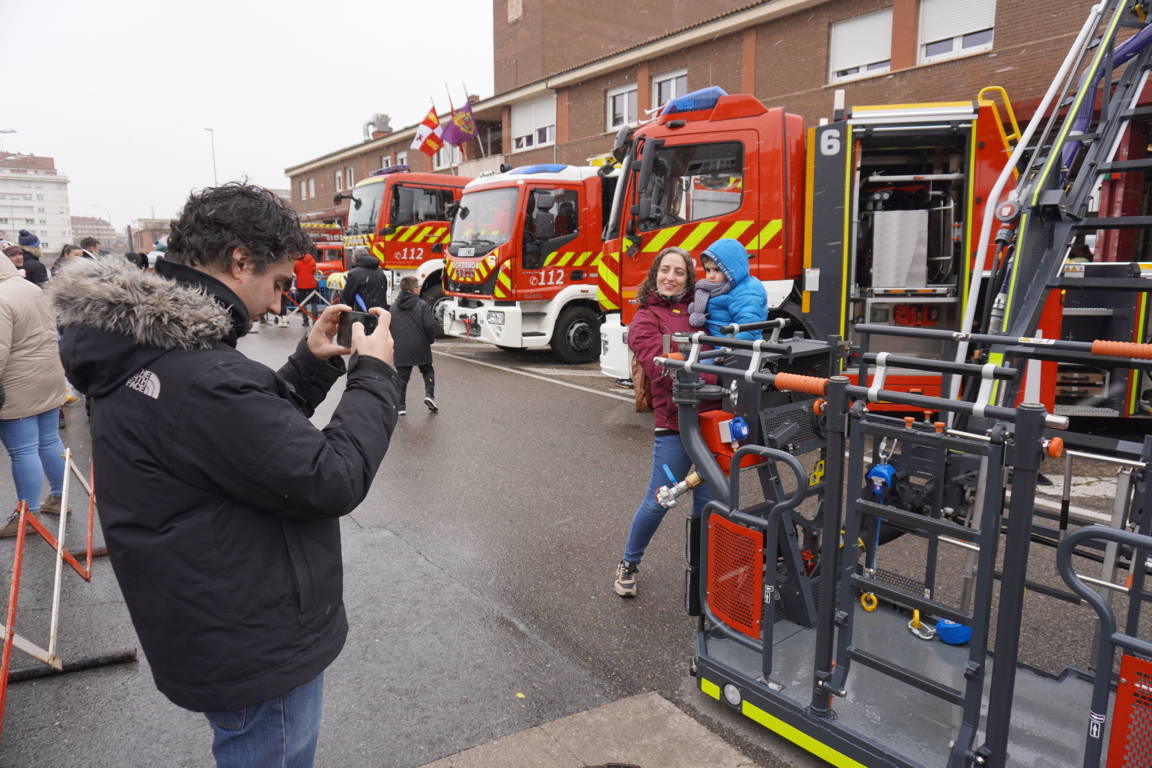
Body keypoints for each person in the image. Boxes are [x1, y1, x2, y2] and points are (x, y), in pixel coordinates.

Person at [49, 183, 400, 768]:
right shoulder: (200, 373)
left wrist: (309, 366)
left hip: (212, 615)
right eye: (279, 283)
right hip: (253, 636)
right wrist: (375, 374)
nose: (280, 305)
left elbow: (240, 443)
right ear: (240, 260)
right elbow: (330, 476)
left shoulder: (145, 347)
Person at [614, 246, 712, 598]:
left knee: (708, 504)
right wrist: (714, 375)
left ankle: (704, 572)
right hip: (675, 425)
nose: (671, 277)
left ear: (688, 279)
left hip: (711, 420)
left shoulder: (702, 312)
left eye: (679, 272)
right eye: (665, 270)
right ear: (655, 273)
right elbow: (660, 370)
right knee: (660, 499)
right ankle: (628, 563)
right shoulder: (645, 319)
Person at [0, 248, 68, 536]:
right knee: (49, 440)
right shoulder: (28, 287)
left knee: (23, 449)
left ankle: (28, 515)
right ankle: (60, 498)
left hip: (17, 382)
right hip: (48, 373)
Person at [687, 238, 768, 341]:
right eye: (708, 270)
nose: (711, 275)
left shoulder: (746, 291)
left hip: (732, 345)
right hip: (716, 341)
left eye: (717, 270)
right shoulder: (716, 288)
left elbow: (748, 328)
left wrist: (730, 347)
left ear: (732, 269)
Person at [390, 276, 437, 415]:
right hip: (420, 344)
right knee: (427, 370)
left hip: (401, 346)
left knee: (402, 377)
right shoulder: (422, 305)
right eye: (418, 287)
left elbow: (390, 326)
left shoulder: (393, 307)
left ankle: (401, 406)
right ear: (414, 289)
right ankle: (429, 395)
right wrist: (430, 340)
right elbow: (429, 326)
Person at [340, 247, 389, 314]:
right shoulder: (380, 271)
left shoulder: (354, 273)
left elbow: (347, 298)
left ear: (355, 259)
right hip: (380, 312)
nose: (351, 260)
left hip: (363, 314)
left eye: (352, 258)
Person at [292, 250, 320, 327]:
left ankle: (305, 321)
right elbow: (314, 270)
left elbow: (295, 271)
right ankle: (315, 320)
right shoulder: (312, 260)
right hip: (311, 283)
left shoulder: (297, 262)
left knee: (303, 303)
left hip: (301, 284)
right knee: (314, 303)